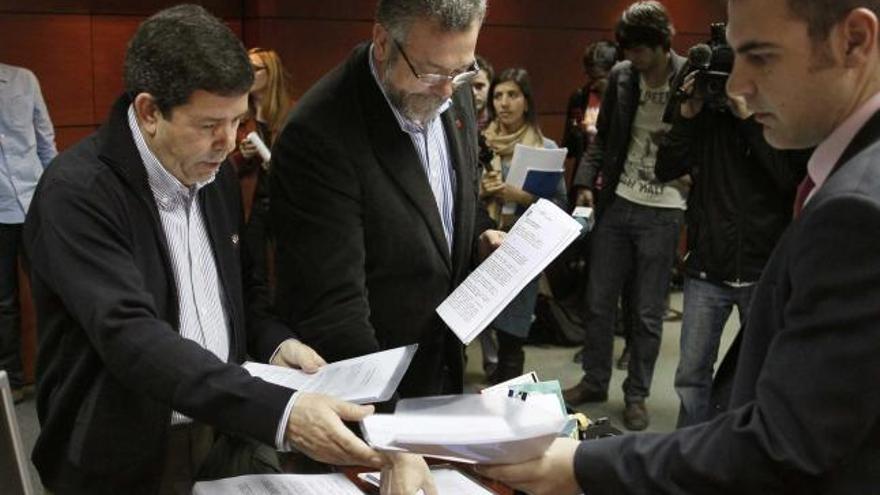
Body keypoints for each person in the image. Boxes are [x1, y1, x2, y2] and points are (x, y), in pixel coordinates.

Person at [478, 0, 880, 492]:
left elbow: (786, 448)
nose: (736, 86)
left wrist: (580, 466)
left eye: (761, 56)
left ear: (855, 40)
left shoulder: (858, 209)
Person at [22, 5, 421, 494]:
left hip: (225, 437)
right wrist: (283, 413)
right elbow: (131, 337)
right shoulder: (77, 192)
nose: (228, 143)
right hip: (121, 458)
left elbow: (241, 294)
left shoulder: (215, 178)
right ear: (149, 112)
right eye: (210, 124)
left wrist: (277, 343)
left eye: (238, 121)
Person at [270, 0, 500, 399]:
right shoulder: (318, 134)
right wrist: (389, 440)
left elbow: (455, 194)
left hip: (444, 365)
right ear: (382, 41)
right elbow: (335, 315)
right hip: (376, 393)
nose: (447, 92)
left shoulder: (451, 86)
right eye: (431, 72)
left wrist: (481, 236)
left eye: (462, 70)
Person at [562, 0, 688, 431]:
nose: (631, 58)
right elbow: (604, 141)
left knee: (648, 311)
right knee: (597, 301)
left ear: (661, 45)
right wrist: (584, 181)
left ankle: (637, 395)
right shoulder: (620, 77)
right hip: (620, 201)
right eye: (627, 50)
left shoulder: (689, 78)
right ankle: (595, 380)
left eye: (639, 50)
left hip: (666, 208)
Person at [656, 69, 805, 427]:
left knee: (759, 373)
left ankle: (740, 456)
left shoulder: (780, 117)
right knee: (692, 374)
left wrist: (748, 120)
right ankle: (687, 451)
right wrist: (688, 117)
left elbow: (788, 179)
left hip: (762, 269)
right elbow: (665, 168)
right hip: (707, 266)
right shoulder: (706, 116)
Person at [480, 67, 567, 383]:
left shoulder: (545, 149)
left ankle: (506, 398)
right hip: (482, 247)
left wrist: (523, 196)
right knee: (474, 324)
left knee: (511, 338)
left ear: (526, 102)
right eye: (498, 95)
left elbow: (560, 208)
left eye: (512, 95)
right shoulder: (479, 144)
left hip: (521, 250)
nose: (504, 103)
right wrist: (482, 190)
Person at [0, 62, 56, 404]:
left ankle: (60, 373)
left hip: (35, 199)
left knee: (51, 290)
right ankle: (14, 382)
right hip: (0, 209)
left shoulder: (24, 79)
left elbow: (45, 139)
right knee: (3, 301)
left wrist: (59, 196)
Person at [472, 54, 494, 131]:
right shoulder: (450, 125)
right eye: (467, 88)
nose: (474, 92)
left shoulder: (505, 123)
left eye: (479, 86)